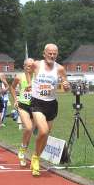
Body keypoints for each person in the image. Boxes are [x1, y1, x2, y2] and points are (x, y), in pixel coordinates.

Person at [27, 44, 70, 176]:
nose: (52, 56)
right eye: (49, 53)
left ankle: (36, 157)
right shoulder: (36, 65)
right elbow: (27, 71)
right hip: (37, 102)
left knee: (46, 134)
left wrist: (66, 85)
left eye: (54, 54)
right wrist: (29, 83)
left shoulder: (60, 69)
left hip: (51, 104)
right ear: (44, 54)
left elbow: (66, 86)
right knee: (43, 130)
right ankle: (35, 157)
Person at [10, 58, 35, 166]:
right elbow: (12, 87)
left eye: (32, 66)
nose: (30, 68)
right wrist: (15, 99)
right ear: (24, 66)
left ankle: (23, 152)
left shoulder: (38, 77)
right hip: (23, 105)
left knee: (29, 133)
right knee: (28, 128)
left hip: (35, 106)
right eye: (28, 66)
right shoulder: (19, 77)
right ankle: (23, 148)